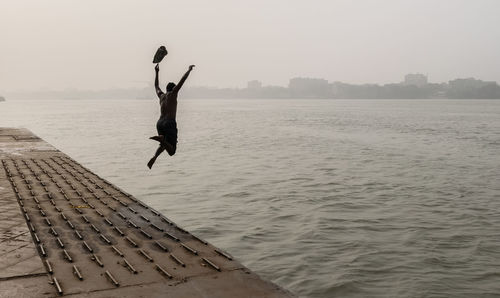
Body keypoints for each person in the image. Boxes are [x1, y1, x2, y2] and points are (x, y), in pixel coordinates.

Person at [147, 64, 195, 169]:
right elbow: (182, 81)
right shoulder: (173, 94)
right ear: (173, 89)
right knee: (172, 151)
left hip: (159, 123)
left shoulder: (161, 96)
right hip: (169, 122)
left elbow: (156, 86)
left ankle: (155, 156)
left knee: (163, 145)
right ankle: (162, 140)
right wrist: (189, 70)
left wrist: (156, 72)